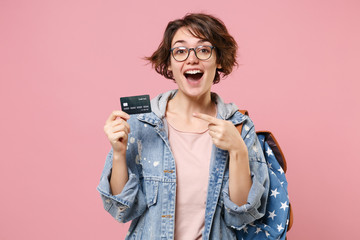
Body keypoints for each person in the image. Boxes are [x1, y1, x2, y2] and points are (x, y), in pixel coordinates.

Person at [97, 13, 269, 240]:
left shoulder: (238, 126)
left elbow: (242, 215)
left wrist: (237, 151)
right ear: (169, 64)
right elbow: (123, 209)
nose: (192, 59)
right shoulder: (143, 122)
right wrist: (119, 153)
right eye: (180, 51)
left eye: (204, 49)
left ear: (218, 60)